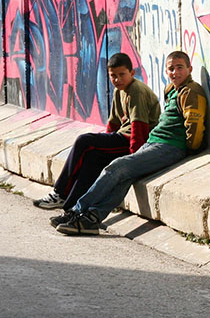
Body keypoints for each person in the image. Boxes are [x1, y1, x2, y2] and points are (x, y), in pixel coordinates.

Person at [51, 50, 207, 235]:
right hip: (154, 142)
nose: (175, 72)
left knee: (116, 167)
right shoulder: (172, 90)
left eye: (180, 68)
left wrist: (190, 149)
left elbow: (194, 125)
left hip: (169, 147)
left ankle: (76, 211)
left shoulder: (191, 91)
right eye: (171, 69)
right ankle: (91, 218)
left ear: (190, 69)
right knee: (126, 177)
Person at [33, 52, 161, 212]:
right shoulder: (118, 91)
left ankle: (60, 193)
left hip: (134, 142)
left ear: (132, 73)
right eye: (113, 76)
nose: (117, 79)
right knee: (91, 158)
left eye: (122, 75)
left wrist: (134, 159)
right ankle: (71, 206)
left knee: (83, 141)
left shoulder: (136, 90)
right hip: (121, 137)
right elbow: (114, 123)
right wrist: (103, 142)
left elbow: (139, 127)